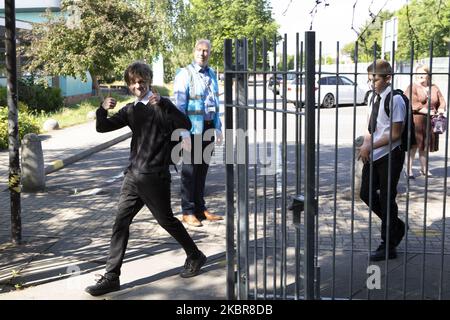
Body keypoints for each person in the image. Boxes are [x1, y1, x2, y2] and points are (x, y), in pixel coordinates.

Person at [85, 61, 207, 297]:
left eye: (141, 81)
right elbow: (103, 127)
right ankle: (111, 276)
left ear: (148, 81)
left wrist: (163, 105)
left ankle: (195, 255)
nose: (138, 85)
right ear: (129, 85)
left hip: (155, 175)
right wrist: (102, 109)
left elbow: (185, 124)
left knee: (167, 221)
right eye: (133, 82)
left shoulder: (162, 104)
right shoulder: (130, 110)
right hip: (133, 176)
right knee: (121, 222)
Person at [359, 59, 407, 262]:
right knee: (365, 193)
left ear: (388, 78)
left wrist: (371, 146)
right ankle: (396, 225)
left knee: (388, 199)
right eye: (370, 79)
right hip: (375, 153)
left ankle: (388, 245)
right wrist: (366, 143)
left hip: (391, 155)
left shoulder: (395, 100)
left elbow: (396, 134)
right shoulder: (373, 97)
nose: (372, 83)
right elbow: (372, 127)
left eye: (375, 79)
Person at [173, 39, 224, 227]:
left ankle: (200, 209)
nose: (203, 54)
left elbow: (215, 104)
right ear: (194, 52)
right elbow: (178, 107)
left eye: (206, 51)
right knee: (189, 171)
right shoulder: (185, 74)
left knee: (202, 171)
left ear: (210, 53)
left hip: (209, 127)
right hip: (191, 130)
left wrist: (218, 127)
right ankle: (187, 211)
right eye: (200, 50)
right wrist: (183, 132)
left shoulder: (211, 74)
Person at [404, 65, 447, 179]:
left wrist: (441, 109)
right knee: (413, 146)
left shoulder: (434, 87)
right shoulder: (412, 87)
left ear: (428, 75)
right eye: (418, 74)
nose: (420, 76)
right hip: (416, 121)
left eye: (423, 73)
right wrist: (430, 112)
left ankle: (425, 169)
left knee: (425, 146)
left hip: (430, 122)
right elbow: (412, 104)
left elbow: (442, 101)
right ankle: (408, 170)